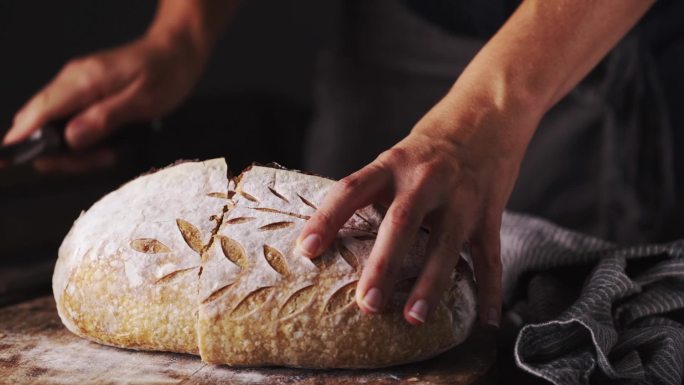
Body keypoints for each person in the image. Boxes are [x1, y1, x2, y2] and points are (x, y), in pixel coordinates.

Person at [2, 0, 671, 329]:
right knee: (339, 279)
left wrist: (486, 113)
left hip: (595, 41)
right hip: (405, 34)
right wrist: (180, 33)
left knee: (558, 313)